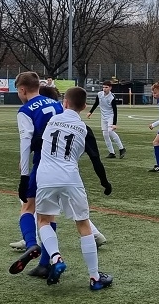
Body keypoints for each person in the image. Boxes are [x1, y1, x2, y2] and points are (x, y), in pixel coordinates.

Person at [8, 73, 106, 277]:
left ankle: (32, 244)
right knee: (64, 214)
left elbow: (28, 140)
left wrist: (24, 172)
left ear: (22, 89)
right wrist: (104, 180)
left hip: (43, 164)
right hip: (67, 167)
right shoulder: (56, 105)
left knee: (30, 208)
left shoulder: (25, 110)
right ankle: (67, 266)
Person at [31, 85, 114, 291]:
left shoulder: (50, 121)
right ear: (84, 106)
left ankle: (56, 257)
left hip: (46, 176)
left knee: (43, 220)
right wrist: (105, 182)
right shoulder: (85, 129)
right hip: (70, 177)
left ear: (64, 103)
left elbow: (34, 143)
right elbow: (96, 160)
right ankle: (94, 278)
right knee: (83, 224)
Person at [87, 80, 126, 159]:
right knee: (105, 134)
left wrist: (114, 123)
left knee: (110, 131)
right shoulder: (99, 94)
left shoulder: (112, 97)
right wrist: (90, 112)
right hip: (103, 117)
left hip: (110, 116)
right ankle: (112, 152)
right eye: (103, 87)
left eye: (106, 87)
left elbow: (115, 111)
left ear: (110, 88)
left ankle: (121, 148)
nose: (104, 89)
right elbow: (96, 103)